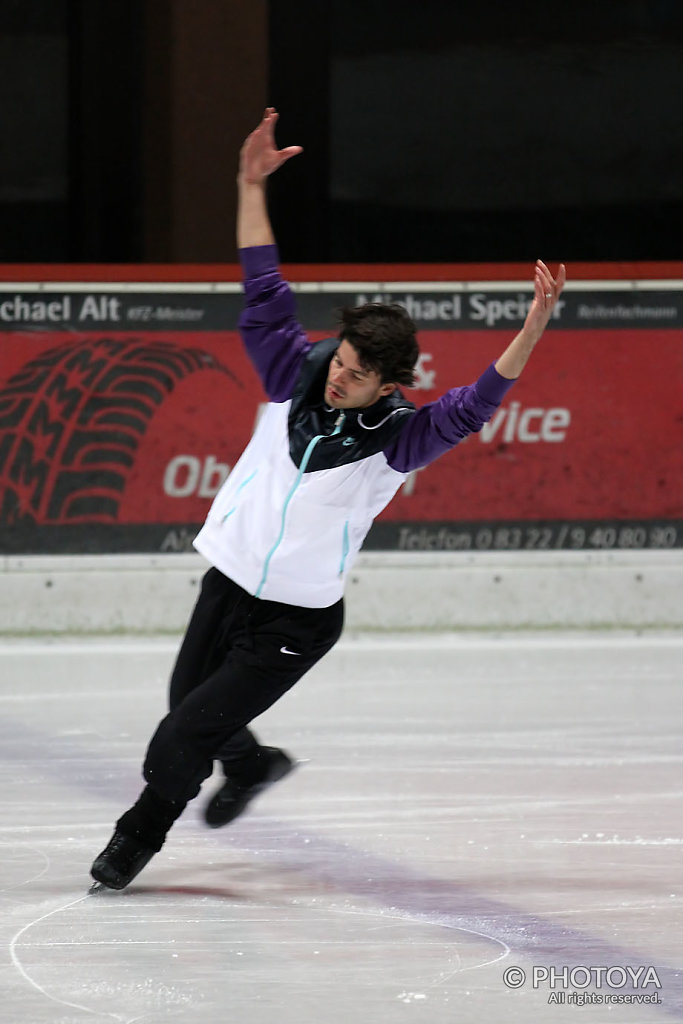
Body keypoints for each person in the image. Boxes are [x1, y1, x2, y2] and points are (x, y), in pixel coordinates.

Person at [90, 108, 566, 891]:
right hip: (230, 582)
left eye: (356, 374)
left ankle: (135, 840)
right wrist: (249, 186)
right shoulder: (292, 374)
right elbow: (263, 288)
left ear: (388, 385)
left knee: (178, 736)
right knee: (191, 705)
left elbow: (471, 407)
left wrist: (533, 328)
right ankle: (251, 765)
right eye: (339, 360)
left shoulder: (396, 440)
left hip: (296, 618)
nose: (339, 376)